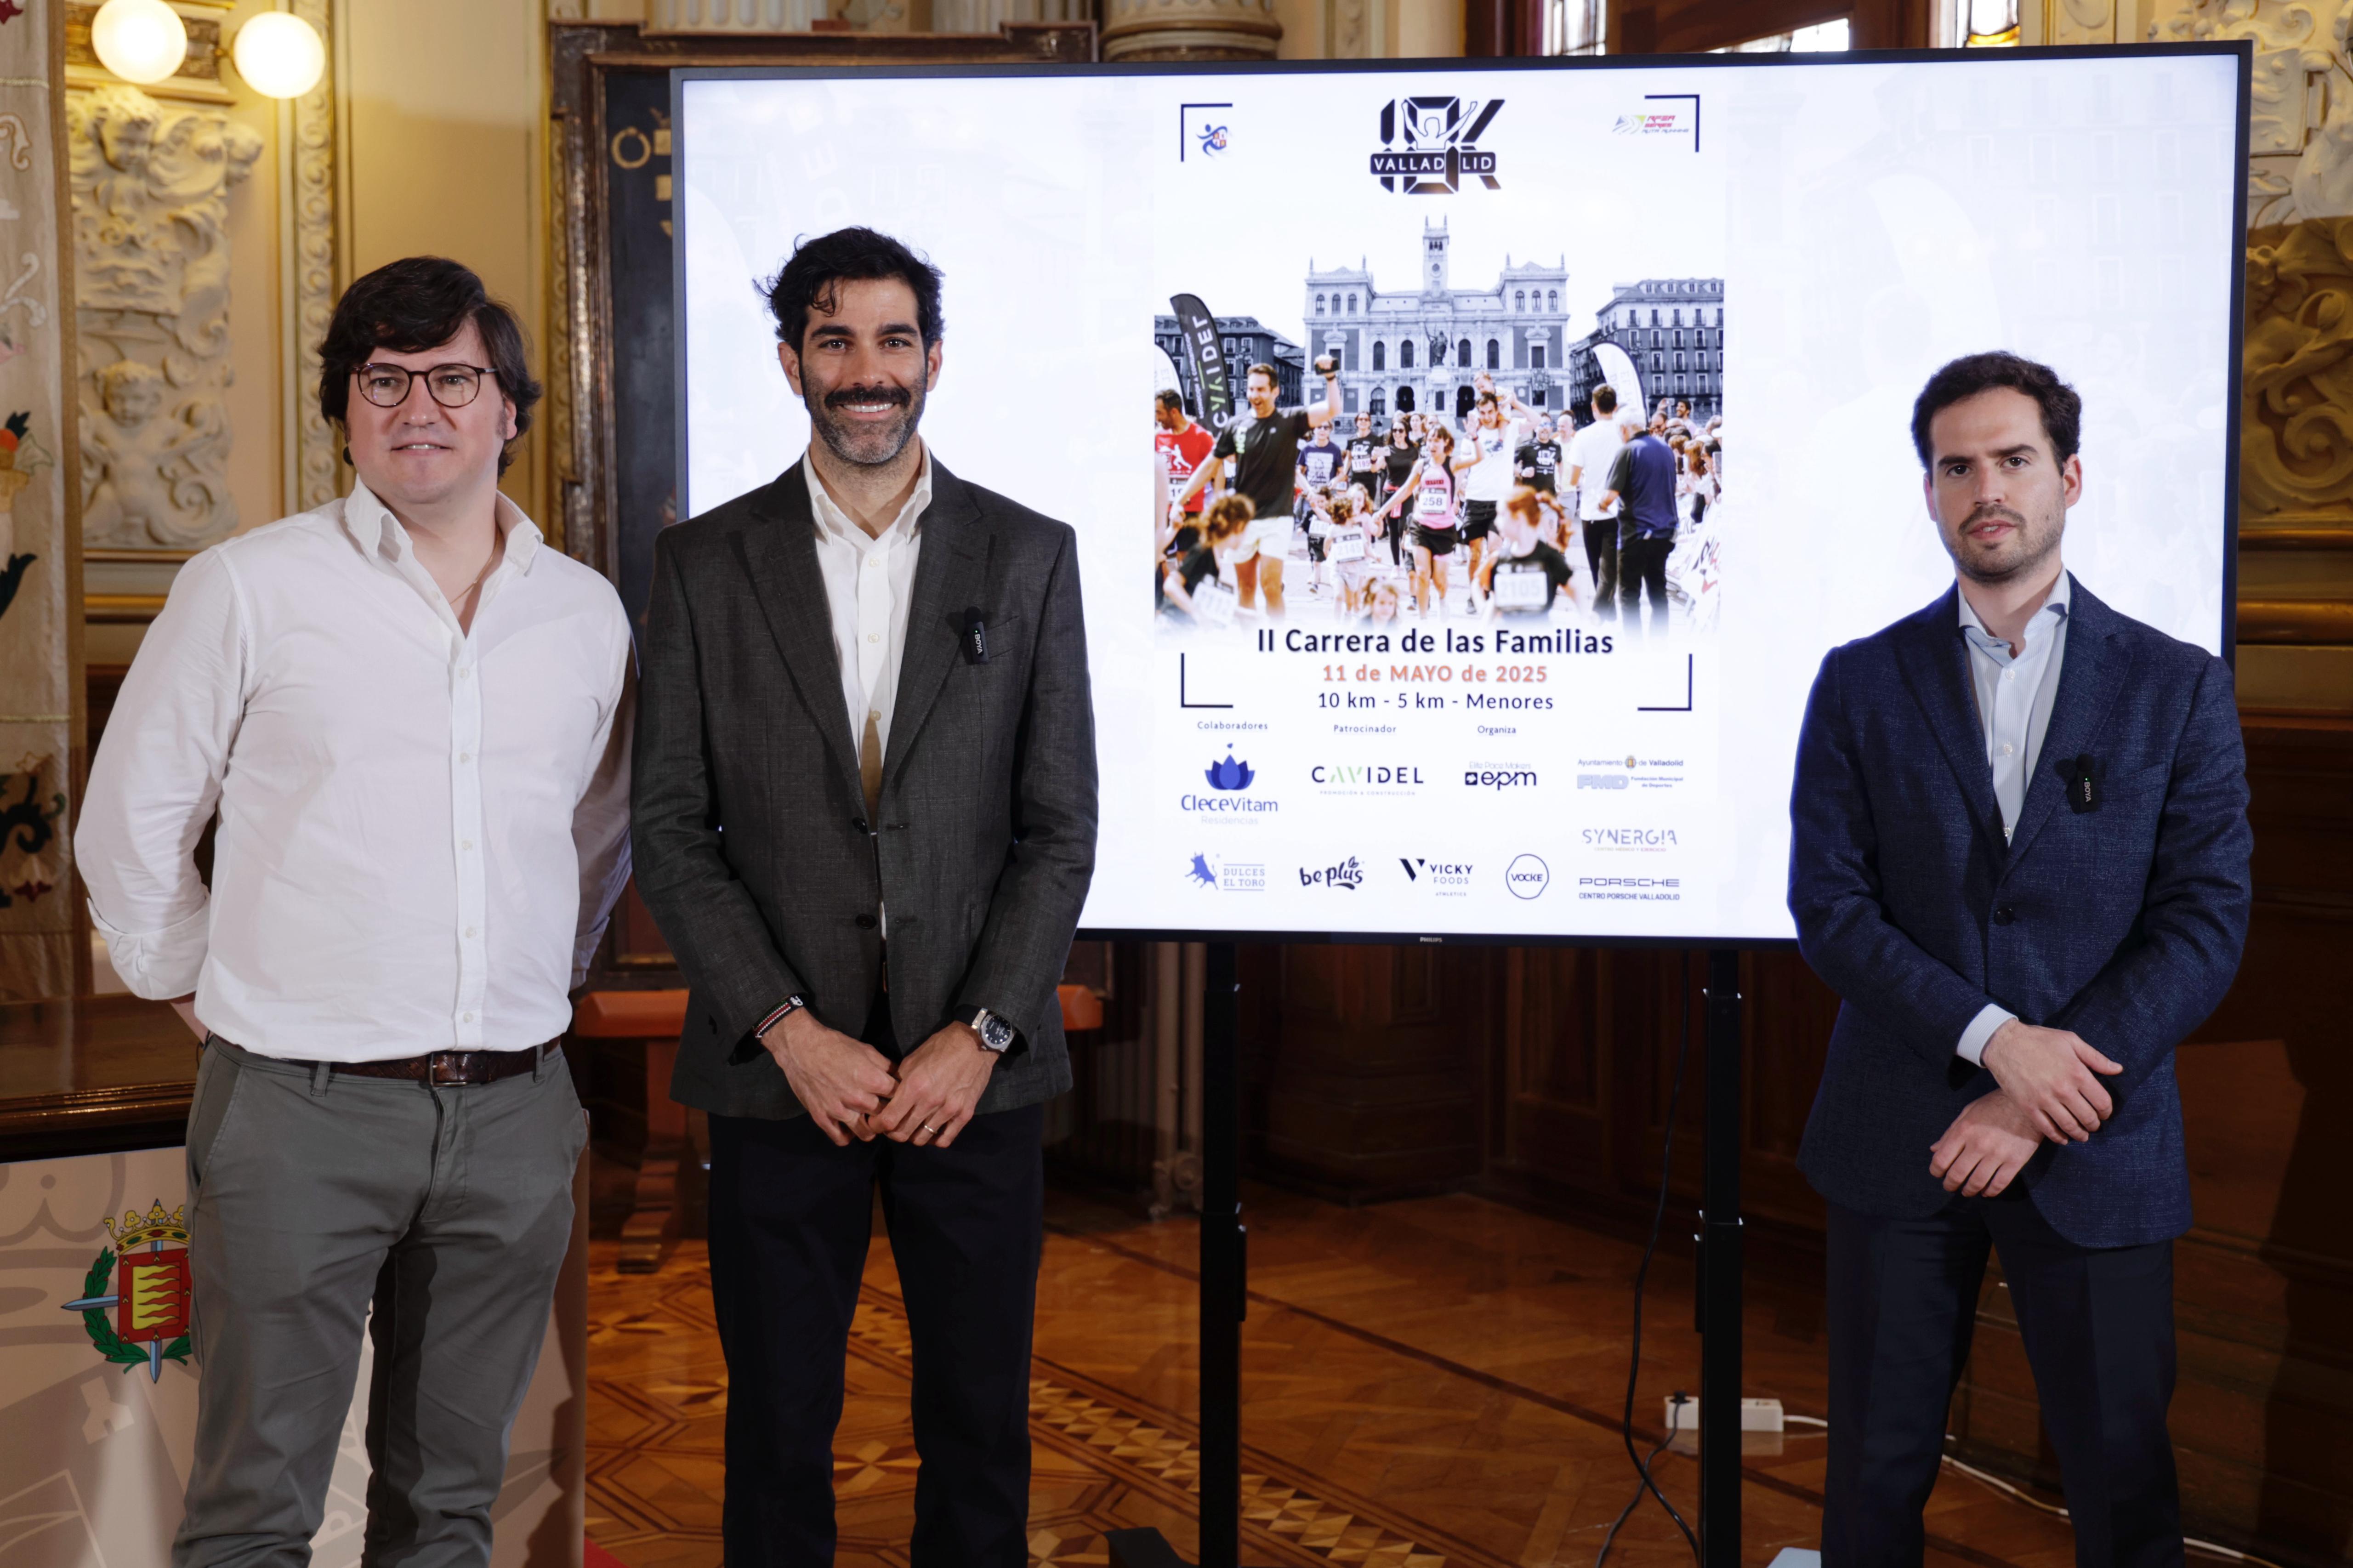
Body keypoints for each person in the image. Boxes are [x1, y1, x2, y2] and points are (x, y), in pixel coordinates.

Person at [76, 256, 633, 1568]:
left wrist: (532, 985)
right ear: (344, 412)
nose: (417, 407)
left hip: (514, 1112)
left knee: (450, 1509)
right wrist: (197, 988)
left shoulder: (586, 613)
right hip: (301, 1109)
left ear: (509, 408)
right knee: (256, 1507)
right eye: (383, 380)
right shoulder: (248, 585)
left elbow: (597, 833)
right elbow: (130, 821)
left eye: (453, 378)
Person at [631, 227, 1097, 1567]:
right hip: (783, 1071)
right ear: (791, 365)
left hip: (974, 1071)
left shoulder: (1029, 554)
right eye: (833, 341)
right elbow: (670, 829)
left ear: (933, 358)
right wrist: (787, 1028)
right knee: (777, 1428)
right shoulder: (706, 563)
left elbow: (1059, 828)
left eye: (893, 340)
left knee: (979, 1426)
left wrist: (982, 1033)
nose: (867, 370)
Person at [1789, 352, 2251, 1568]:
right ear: (1930, 492)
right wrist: (1998, 1044)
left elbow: (2204, 923)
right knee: (1872, 1484)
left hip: (2098, 1134)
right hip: (1899, 1133)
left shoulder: (2176, 687)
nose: (1985, 489)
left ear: (2070, 478)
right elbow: (1831, 908)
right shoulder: (1859, 682)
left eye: (2012, 460)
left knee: (2124, 1490)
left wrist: (2040, 1091)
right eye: (1957, 467)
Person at [1169, 355, 1343, 619]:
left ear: (1275, 391)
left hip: (1277, 516)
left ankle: (1275, 639)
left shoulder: (1291, 419)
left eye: (1261, 389)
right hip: (1243, 521)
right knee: (1246, 589)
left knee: (1271, 586)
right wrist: (1180, 501)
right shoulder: (1236, 425)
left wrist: (1330, 377)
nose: (1255, 395)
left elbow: (1332, 410)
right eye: (1251, 389)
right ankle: (1251, 641)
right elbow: (1208, 466)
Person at [1378, 420, 1470, 618]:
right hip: (1421, 526)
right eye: (1430, 440)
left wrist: (1475, 436)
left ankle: (1443, 600)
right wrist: (1382, 511)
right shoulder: (1421, 465)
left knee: (1440, 580)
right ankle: (1423, 620)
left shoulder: (1452, 463)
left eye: (1437, 441)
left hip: (1444, 528)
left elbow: (1479, 457)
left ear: (1445, 442)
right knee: (1422, 574)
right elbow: (1405, 490)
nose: (1433, 445)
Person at [1600, 413, 1677, 638]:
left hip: (1636, 533)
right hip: (1664, 532)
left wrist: (1601, 504)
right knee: (1658, 592)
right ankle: (1660, 644)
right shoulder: (1665, 449)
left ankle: (1635, 647)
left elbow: (1609, 496)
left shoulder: (1628, 451)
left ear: (1624, 429)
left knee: (1629, 594)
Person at [1459, 384, 1529, 609]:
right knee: (1475, 553)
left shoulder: (1509, 428)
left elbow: (1536, 420)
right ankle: (1473, 595)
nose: (1487, 417)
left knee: (1494, 550)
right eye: (1483, 413)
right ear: (1478, 413)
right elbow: (1462, 468)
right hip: (1475, 500)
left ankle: (1491, 593)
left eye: (1491, 412)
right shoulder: (1471, 435)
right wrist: (1456, 494)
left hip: (1500, 502)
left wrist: (1515, 402)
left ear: (1497, 411)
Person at [1566, 384, 1626, 620]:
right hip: (1617, 509)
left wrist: (1586, 480)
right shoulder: (1623, 433)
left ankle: (1599, 617)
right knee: (1609, 571)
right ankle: (1608, 619)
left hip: (1590, 511)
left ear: (1593, 407)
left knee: (1597, 570)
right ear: (1616, 407)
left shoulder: (1582, 435)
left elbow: (1573, 479)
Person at [1480, 485, 1577, 622]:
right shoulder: (1499, 559)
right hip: (1507, 634)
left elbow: (1576, 591)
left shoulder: (1549, 558)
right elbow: (1489, 595)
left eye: (1501, 515)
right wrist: (1483, 617)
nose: (1496, 522)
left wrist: (1587, 618)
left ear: (1519, 518)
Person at [1163, 493, 1253, 625]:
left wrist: (1250, 616)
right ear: (1238, 527)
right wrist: (1196, 613)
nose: (1247, 536)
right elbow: (1171, 585)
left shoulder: (1215, 555)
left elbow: (1213, 601)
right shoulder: (1204, 553)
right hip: (1172, 626)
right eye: (1246, 529)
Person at [1153, 387, 1214, 536]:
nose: (1157, 418)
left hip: (1192, 512)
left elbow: (1217, 470)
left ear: (1174, 412)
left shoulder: (1202, 436)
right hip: (1163, 512)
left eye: (1160, 413)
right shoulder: (1158, 437)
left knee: (1187, 551)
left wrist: (1218, 504)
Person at [1345, 409, 1385, 499]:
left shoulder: (1376, 439)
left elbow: (1381, 458)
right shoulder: (1351, 439)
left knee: (1368, 505)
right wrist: (1344, 474)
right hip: (1354, 479)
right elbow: (1349, 458)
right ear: (1356, 423)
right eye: (1361, 419)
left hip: (1369, 480)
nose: (1363, 421)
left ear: (1370, 423)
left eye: (1366, 420)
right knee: (1353, 504)